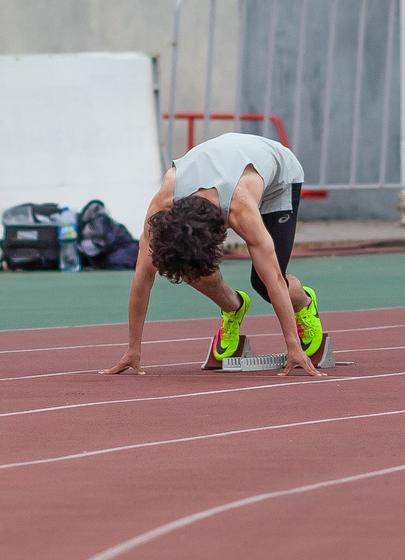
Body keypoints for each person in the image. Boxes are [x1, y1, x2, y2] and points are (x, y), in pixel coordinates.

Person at [103, 131, 326, 377]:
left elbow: (273, 277)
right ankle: (233, 307)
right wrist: (133, 349)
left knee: (262, 282)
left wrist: (293, 345)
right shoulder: (166, 199)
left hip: (278, 178)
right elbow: (143, 276)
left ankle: (305, 303)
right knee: (187, 265)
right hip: (228, 165)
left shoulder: (240, 208)